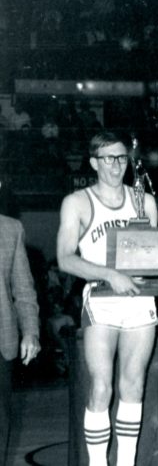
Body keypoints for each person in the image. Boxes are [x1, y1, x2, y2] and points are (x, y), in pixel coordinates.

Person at [56, 132, 158, 466]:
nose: (116, 165)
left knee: (133, 387)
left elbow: (154, 257)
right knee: (101, 387)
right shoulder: (77, 202)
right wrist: (109, 274)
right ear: (93, 163)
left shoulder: (143, 201)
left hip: (139, 301)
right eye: (108, 158)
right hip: (102, 301)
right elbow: (65, 258)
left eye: (121, 158)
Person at [0, 179, 40, 466]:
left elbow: (24, 290)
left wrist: (31, 332)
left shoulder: (11, 229)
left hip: (2, 340)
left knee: (1, 425)